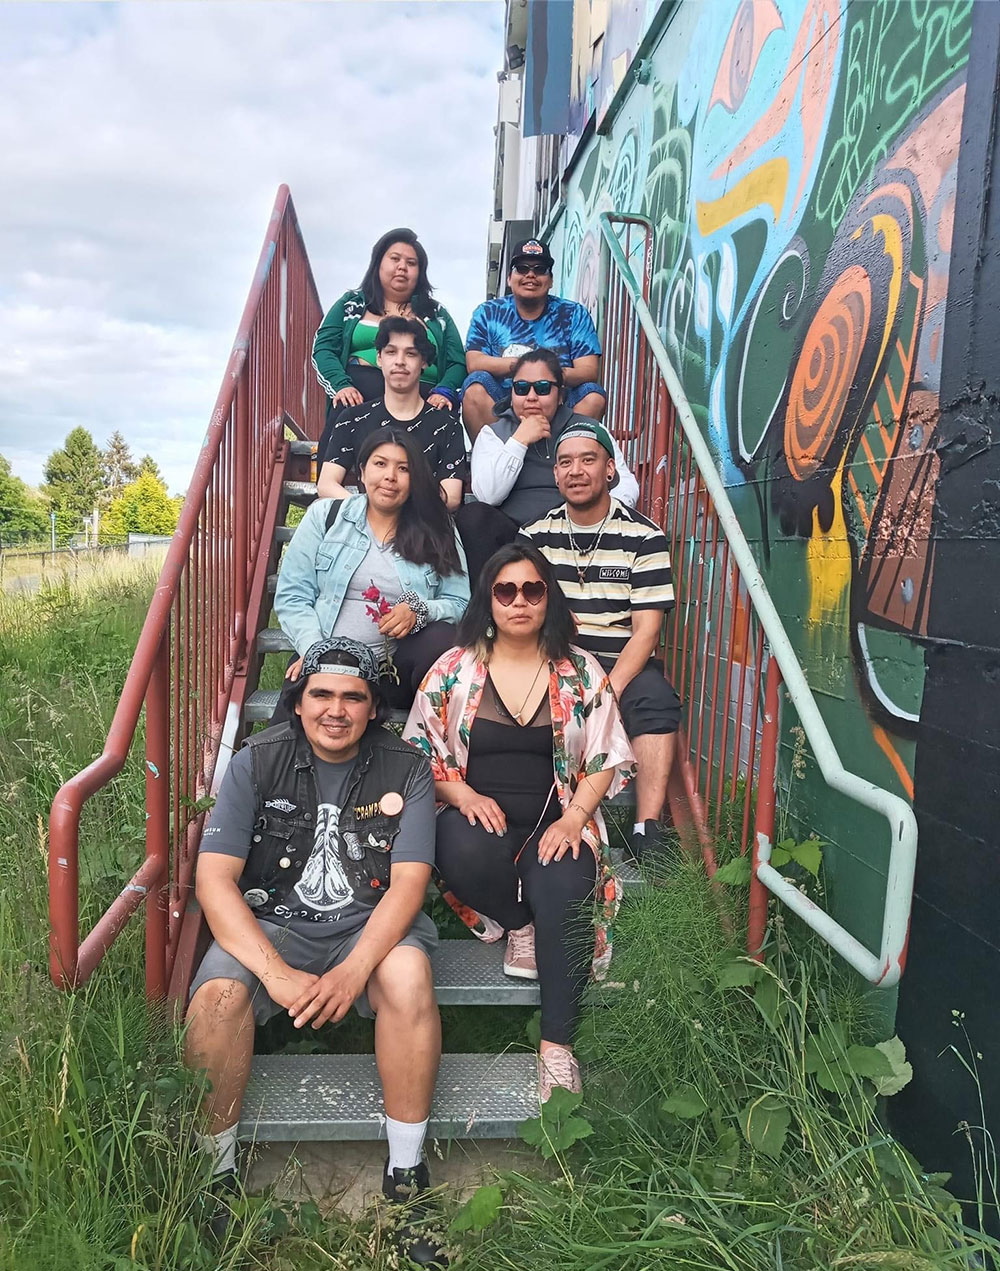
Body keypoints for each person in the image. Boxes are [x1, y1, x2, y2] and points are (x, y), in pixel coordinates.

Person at [185, 637, 447, 1265]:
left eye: (353, 697)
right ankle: (215, 1179)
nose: (336, 709)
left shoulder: (407, 766)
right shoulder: (255, 760)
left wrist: (356, 969)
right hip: (271, 924)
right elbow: (213, 879)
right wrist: (273, 975)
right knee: (217, 1000)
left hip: (370, 925)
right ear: (297, 703)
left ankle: (406, 1179)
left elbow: (409, 883)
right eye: (320, 695)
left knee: (408, 976)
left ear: (374, 707)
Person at [405, 544, 634, 1102]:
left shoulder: (579, 669)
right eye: (505, 591)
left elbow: (606, 755)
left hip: (556, 817)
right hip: (478, 816)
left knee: (568, 882)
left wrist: (576, 816)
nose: (519, 603)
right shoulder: (453, 669)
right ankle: (518, 923)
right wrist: (459, 793)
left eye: (533, 590)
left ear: (548, 598)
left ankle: (557, 1046)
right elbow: (416, 752)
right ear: (488, 599)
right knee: (455, 844)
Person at [520, 420, 681, 862]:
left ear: (610, 469)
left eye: (588, 460)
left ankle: (647, 827)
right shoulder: (535, 538)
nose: (576, 471)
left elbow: (646, 631)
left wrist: (607, 690)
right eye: (565, 462)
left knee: (655, 700)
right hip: (556, 657)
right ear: (554, 475)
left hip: (622, 658)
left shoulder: (644, 538)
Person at [275, 429, 469, 711]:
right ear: (363, 472)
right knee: (279, 744)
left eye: (403, 468)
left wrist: (421, 610)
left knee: (442, 638)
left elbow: (461, 602)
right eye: (380, 464)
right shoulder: (325, 517)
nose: (390, 476)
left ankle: (421, 741)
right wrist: (314, 651)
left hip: (393, 672)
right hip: (323, 660)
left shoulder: (438, 528)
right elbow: (292, 596)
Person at [455, 349, 639, 579]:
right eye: (521, 388)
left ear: (560, 394)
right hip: (513, 535)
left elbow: (625, 484)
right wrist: (519, 441)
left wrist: (596, 516)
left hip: (573, 529)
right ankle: (486, 609)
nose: (531, 397)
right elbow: (488, 496)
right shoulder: (493, 434)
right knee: (473, 516)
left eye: (542, 388)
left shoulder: (588, 429)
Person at [316, 317, 467, 512]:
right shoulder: (352, 418)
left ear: (424, 362)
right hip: (365, 525)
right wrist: (372, 512)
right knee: (317, 511)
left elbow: (452, 497)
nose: (400, 361)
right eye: (391, 352)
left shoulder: (447, 425)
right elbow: (327, 484)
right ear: (379, 358)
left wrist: (393, 508)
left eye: (411, 354)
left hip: (423, 527)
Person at [462, 237, 606, 440]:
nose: (530, 275)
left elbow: (589, 370)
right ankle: (489, 462)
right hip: (504, 403)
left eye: (539, 269)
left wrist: (545, 378)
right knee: (475, 385)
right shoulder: (488, 312)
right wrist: (523, 369)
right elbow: (474, 362)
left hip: (558, 404)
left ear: (551, 280)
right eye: (522, 268)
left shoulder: (574, 313)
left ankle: (566, 459)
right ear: (509, 278)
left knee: (593, 395)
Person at [312, 227, 466, 417]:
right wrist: (341, 386)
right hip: (357, 396)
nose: (402, 267)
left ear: (420, 272)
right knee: (345, 410)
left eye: (411, 263)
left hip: (424, 401)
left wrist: (444, 390)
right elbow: (324, 349)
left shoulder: (437, 314)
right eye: (395, 259)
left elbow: (457, 361)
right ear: (378, 264)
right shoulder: (351, 304)